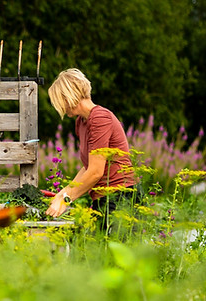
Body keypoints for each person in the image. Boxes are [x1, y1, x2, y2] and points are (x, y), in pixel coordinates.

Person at [44, 68, 137, 218]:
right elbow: (88, 167)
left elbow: (95, 172)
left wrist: (66, 200)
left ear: (68, 96)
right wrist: (62, 193)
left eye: (59, 101)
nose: (59, 107)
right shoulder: (81, 122)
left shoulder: (100, 118)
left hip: (120, 197)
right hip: (102, 198)